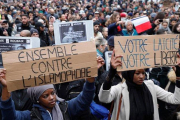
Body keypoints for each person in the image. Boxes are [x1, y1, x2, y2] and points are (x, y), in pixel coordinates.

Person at [98, 50, 180, 120]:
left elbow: (175, 99)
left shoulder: (151, 87)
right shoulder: (120, 89)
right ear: (129, 74)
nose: (141, 76)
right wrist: (112, 72)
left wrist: (178, 75)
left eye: (143, 73)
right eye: (137, 73)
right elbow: (103, 98)